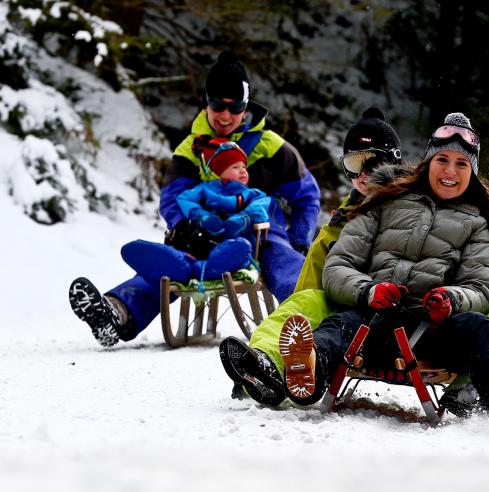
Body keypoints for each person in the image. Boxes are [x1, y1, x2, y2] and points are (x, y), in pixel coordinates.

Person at [219, 111, 489, 426]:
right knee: (321, 313)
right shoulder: (376, 208)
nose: (363, 176)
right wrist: (366, 290)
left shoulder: (477, 222)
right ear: (427, 162)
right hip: (370, 318)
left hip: (434, 327)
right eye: (353, 165)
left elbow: (483, 284)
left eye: (461, 163)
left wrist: (454, 298)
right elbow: (324, 281)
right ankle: (275, 366)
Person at [68, 49, 320, 347]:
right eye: (217, 105)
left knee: (285, 264)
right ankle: (117, 311)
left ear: (246, 106)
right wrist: (184, 225)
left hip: (262, 232)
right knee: (172, 267)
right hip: (208, 233)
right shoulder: (192, 148)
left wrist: (301, 237)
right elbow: (173, 196)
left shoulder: (271, 146)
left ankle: (308, 322)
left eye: (234, 106)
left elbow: (306, 196)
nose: (225, 115)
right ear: (206, 102)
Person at [219, 107, 404, 405]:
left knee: (338, 325)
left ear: (393, 161)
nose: (364, 174)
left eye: (375, 162)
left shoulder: (412, 206)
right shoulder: (343, 218)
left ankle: (303, 369)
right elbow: (311, 279)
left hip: (388, 311)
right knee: (304, 302)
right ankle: (264, 364)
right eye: (355, 163)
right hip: (345, 297)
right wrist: (303, 306)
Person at [120, 136, 270, 285]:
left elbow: (260, 207)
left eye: (244, 167)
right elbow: (184, 199)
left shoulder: (252, 193)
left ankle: (204, 269)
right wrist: (202, 216)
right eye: (235, 167)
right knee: (186, 233)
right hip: (206, 242)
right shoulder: (207, 188)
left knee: (240, 247)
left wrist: (245, 219)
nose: (243, 171)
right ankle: (178, 263)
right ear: (220, 171)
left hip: (236, 241)